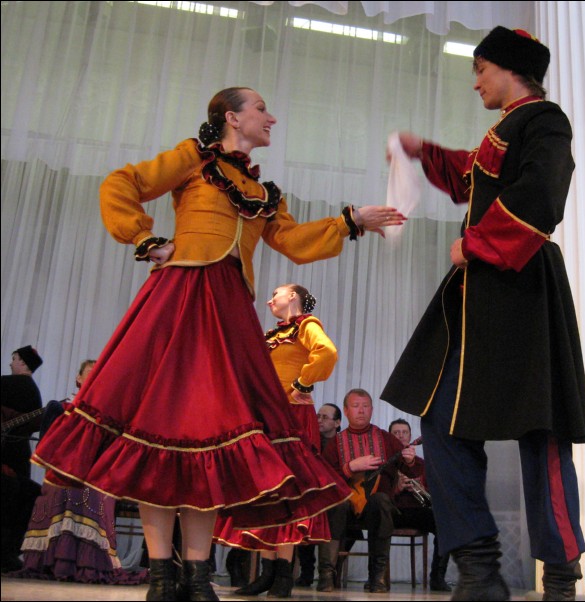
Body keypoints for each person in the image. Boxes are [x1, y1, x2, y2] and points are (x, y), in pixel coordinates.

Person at [31, 86, 405, 602]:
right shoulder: (191, 159)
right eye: (260, 109)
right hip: (180, 300)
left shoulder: (267, 192)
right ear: (231, 116)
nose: (271, 117)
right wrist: (144, 238)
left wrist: (351, 220)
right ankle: (162, 577)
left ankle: (197, 575)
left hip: (230, 313)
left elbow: (294, 242)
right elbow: (123, 183)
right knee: (157, 429)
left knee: (218, 434)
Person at [380, 26, 585, 601]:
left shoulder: (545, 120)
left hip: (523, 288)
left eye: (480, 70)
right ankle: (478, 566)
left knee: (542, 434)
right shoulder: (503, 130)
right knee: (440, 420)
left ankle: (562, 578)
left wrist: (475, 244)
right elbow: (472, 176)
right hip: (480, 299)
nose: (475, 83)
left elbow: (543, 194)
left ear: (508, 69)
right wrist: (421, 151)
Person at [216, 284, 339, 599]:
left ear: (294, 298)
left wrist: (303, 382)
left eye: (278, 293)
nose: (271, 299)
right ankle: (268, 572)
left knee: (289, 494)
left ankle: (284, 572)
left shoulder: (307, 326)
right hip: (266, 417)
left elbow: (327, 352)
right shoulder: (272, 334)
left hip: (292, 417)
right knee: (267, 494)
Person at [13, 360, 148, 585]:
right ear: (78, 378)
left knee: (90, 493)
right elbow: (44, 449)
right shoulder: (60, 408)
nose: (95, 378)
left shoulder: (111, 418)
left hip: (95, 480)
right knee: (64, 488)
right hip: (61, 476)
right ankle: (51, 560)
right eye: (89, 373)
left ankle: (87, 562)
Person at [318, 388, 416, 593]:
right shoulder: (336, 442)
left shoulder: (385, 438)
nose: (361, 411)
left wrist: (410, 459)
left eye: (365, 406)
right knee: (336, 504)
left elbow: (410, 469)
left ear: (372, 410)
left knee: (380, 501)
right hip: (345, 506)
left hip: (377, 507)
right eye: (355, 406)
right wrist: (351, 467)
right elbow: (324, 478)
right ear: (346, 411)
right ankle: (327, 575)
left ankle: (377, 577)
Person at [388, 418, 451, 592]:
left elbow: (434, 494)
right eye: (396, 433)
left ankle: (437, 577)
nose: (401, 436)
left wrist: (421, 486)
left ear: (410, 436)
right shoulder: (385, 462)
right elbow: (377, 494)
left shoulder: (422, 464)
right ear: (389, 436)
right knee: (376, 516)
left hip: (417, 510)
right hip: (393, 512)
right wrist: (397, 488)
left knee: (445, 525)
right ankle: (376, 577)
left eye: (404, 432)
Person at [1, 345, 44, 572]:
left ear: (23, 364)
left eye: (14, 358)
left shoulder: (7, 384)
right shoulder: (34, 391)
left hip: (6, 455)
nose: (11, 363)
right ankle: (8, 552)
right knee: (23, 498)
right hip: (19, 456)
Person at [295, 402, 342, 587]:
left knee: (340, 509)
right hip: (313, 494)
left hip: (337, 496)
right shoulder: (308, 440)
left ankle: (329, 572)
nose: (319, 420)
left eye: (325, 417)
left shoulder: (343, 443)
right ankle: (307, 571)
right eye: (317, 416)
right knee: (305, 508)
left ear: (337, 423)